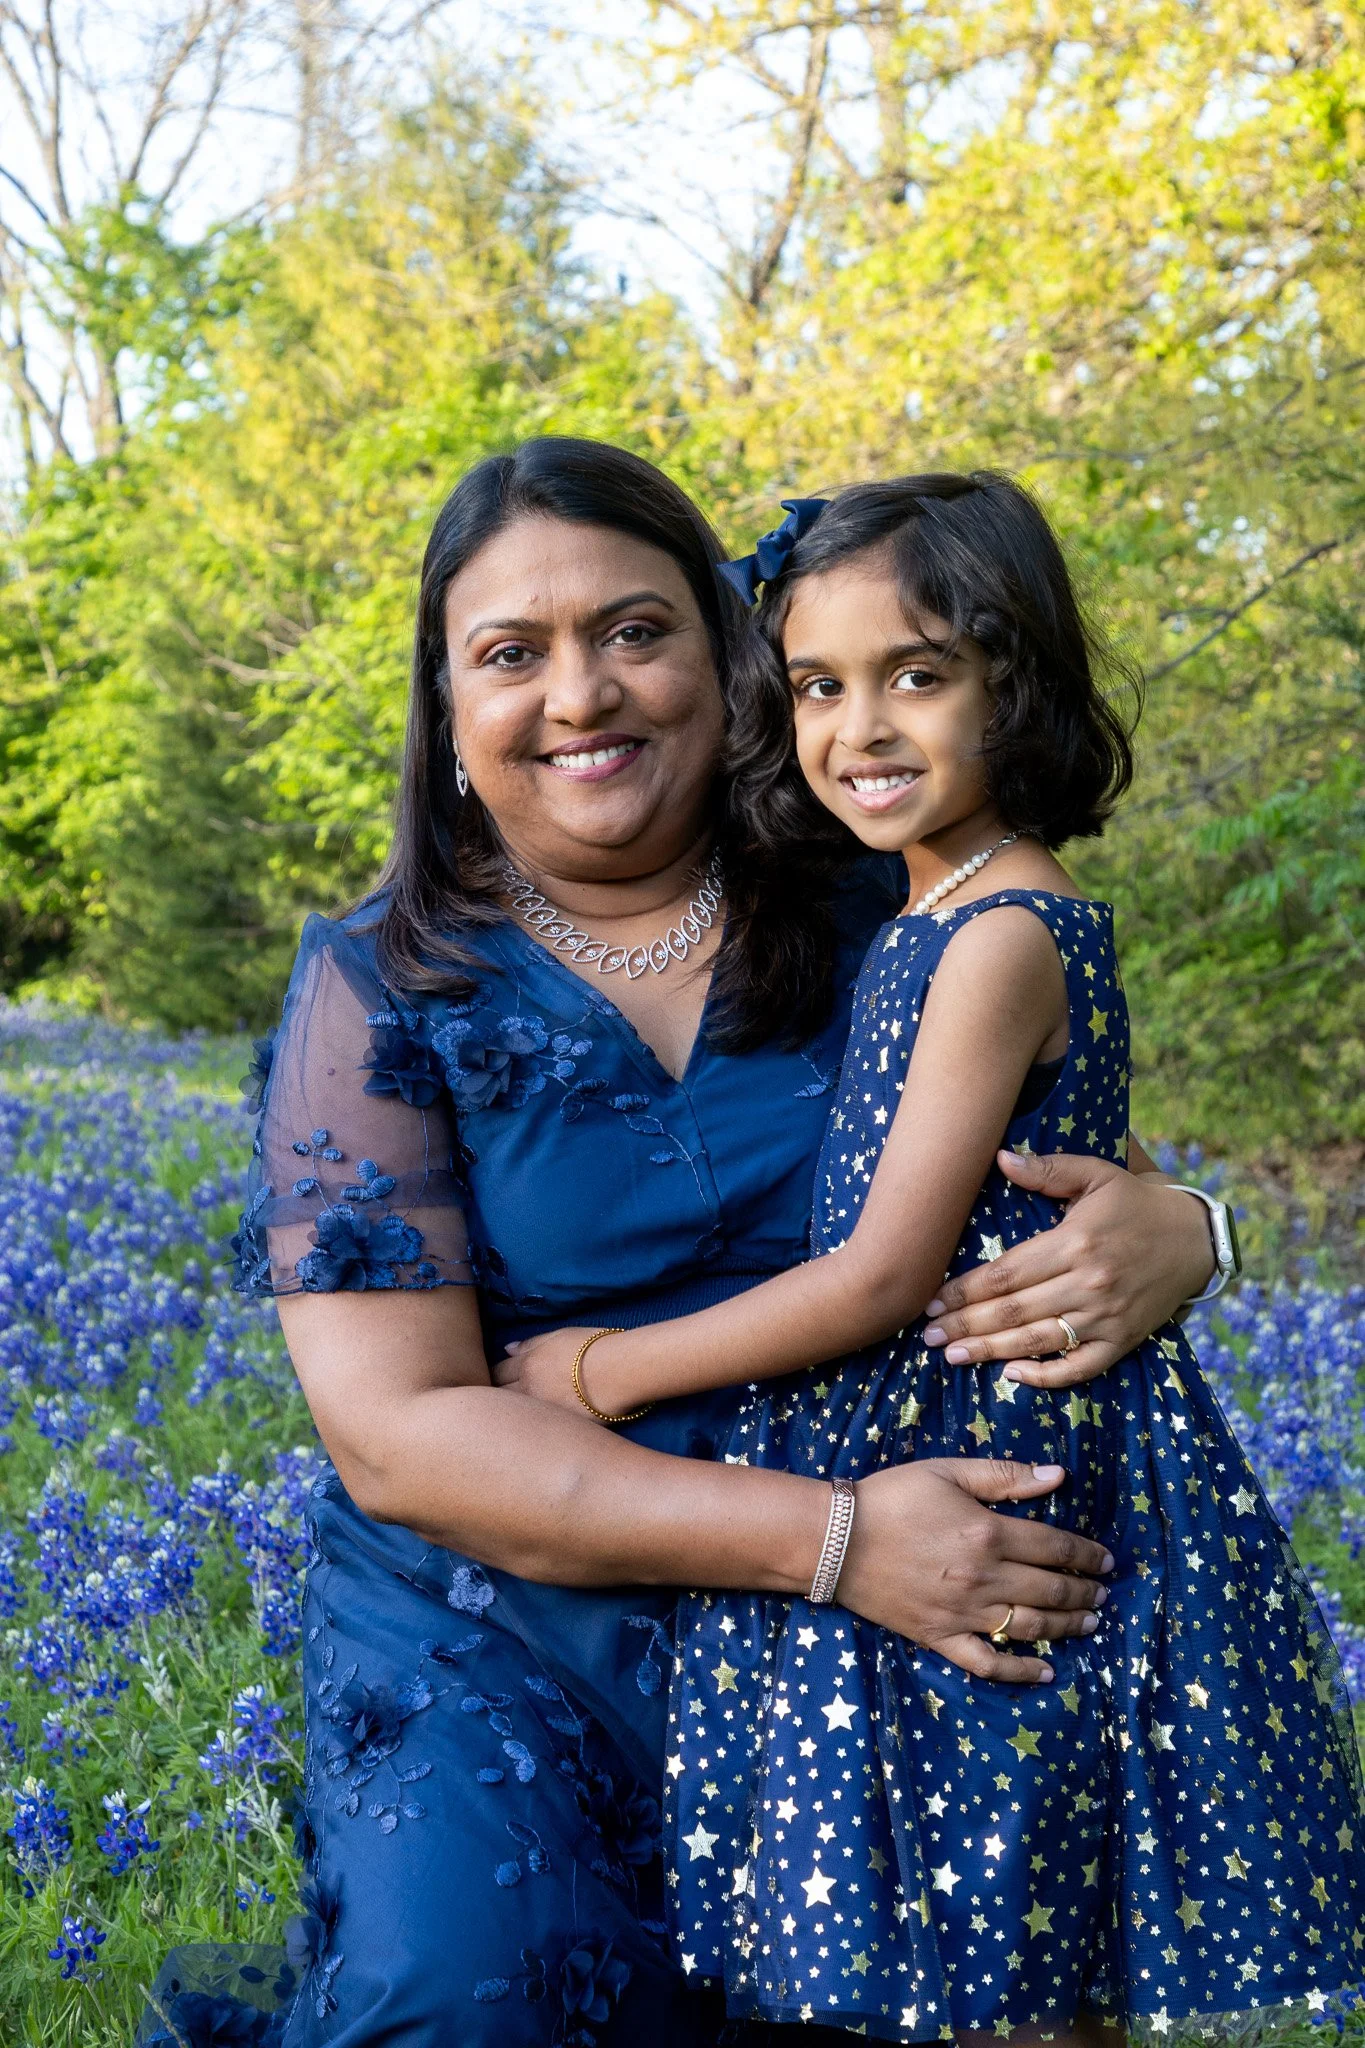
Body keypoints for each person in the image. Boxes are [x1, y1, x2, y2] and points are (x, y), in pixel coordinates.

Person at [143, 441, 1222, 2048]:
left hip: (884, 1564)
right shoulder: (377, 983)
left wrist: (1196, 1228)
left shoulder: (887, 902)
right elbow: (401, 1437)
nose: (583, 694)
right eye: (513, 655)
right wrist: (841, 1541)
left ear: (726, 667)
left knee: (993, 1996)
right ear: (449, 717)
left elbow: (1082, 1171)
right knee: (465, 1998)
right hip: (515, 1607)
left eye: (635, 632)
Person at [497, 473, 1365, 2045]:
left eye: (918, 674)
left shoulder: (992, 935)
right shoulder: (930, 911)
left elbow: (885, 1276)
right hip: (955, 1437)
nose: (861, 729)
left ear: (1011, 681)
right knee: (1001, 1933)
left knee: (1006, 1943)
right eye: (820, 686)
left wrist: (589, 1370)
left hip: (978, 1452)